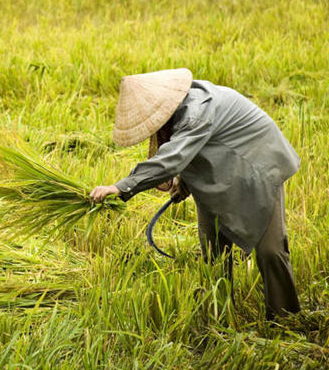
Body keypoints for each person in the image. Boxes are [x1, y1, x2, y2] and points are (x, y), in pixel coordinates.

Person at [89, 68, 301, 319]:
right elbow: (197, 148)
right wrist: (185, 182)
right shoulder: (181, 111)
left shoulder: (196, 111)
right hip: (219, 169)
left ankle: (285, 317)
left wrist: (121, 187)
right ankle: (220, 312)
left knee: (270, 250)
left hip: (259, 166)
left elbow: (171, 159)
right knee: (213, 247)